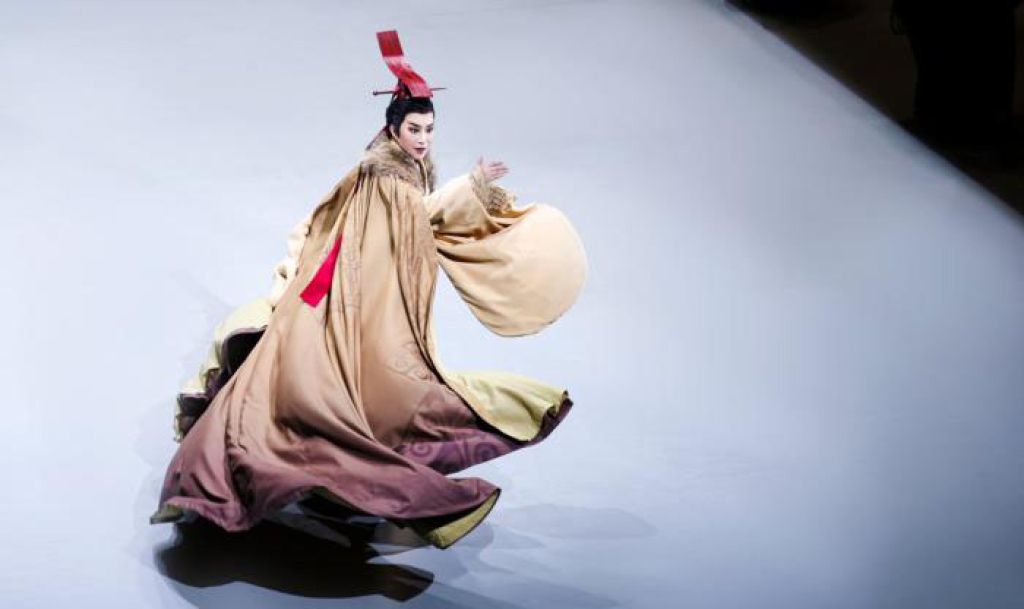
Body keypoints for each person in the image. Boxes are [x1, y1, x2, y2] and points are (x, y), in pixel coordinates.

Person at [150, 32, 588, 549]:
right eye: (414, 129)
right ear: (393, 127)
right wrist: (472, 186)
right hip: (336, 295)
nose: (423, 139)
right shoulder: (387, 175)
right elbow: (417, 218)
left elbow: (407, 223)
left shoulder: (398, 164)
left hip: (344, 289)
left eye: (429, 129)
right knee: (309, 393)